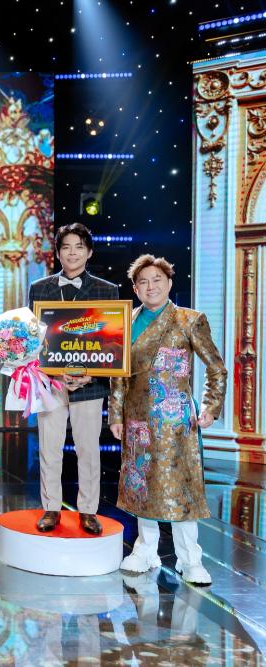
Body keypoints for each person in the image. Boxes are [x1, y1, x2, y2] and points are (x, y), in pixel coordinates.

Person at [110, 255, 226, 586]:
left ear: (169, 283)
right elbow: (118, 374)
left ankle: (190, 560)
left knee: (181, 490)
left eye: (157, 280)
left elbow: (216, 367)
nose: (151, 287)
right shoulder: (126, 322)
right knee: (141, 486)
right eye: (143, 282)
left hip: (176, 422)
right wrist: (116, 414)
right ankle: (145, 551)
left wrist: (210, 406)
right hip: (136, 419)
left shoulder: (189, 320)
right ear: (135, 288)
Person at [28, 222, 119, 535]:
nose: (72, 253)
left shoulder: (107, 290)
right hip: (50, 383)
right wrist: (54, 371)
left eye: (79, 247)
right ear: (57, 252)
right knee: (49, 448)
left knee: (88, 450)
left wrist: (89, 373)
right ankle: (51, 508)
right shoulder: (39, 288)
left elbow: (113, 343)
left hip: (89, 385)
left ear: (89, 252)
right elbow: (33, 341)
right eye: (66, 247)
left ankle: (88, 510)